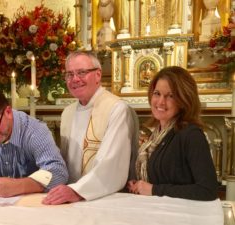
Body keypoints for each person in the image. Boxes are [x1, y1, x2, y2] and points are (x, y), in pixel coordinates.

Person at [42, 51, 139, 205]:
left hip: (106, 198)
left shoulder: (116, 108)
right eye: (69, 74)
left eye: (81, 72)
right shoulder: (68, 112)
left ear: (98, 75)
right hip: (70, 196)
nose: (75, 79)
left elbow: (112, 165)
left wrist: (77, 190)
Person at [127, 66, 218, 201]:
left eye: (171, 96)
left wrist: (153, 189)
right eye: (157, 93)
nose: (161, 102)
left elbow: (207, 190)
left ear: (183, 100)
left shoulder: (191, 135)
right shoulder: (156, 136)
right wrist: (138, 184)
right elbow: (159, 176)